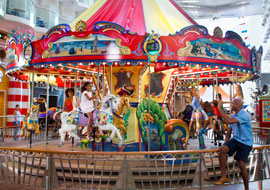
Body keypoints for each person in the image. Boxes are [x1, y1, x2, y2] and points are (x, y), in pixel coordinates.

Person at [214, 98, 253, 190]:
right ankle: (224, 176)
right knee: (223, 149)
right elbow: (228, 132)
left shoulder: (244, 115)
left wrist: (220, 109)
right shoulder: (232, 116)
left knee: (242, 164)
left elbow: (228, 121)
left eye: (233, 104)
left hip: (245, 142)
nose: (231, 105)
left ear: (238, 105)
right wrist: (225, 145)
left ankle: (246, 188)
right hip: (236, 140)